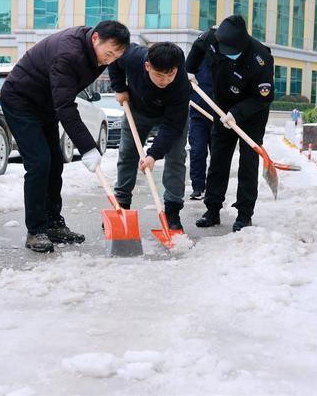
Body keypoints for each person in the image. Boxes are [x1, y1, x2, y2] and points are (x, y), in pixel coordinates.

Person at [0, 21, 131, 253]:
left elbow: (129, 58)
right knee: (40, 163)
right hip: (21, 100)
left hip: (46, 103)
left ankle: (53, 223)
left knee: (55, 161)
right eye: (109, 53)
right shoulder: (68, 54)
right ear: (95, 39)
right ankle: (36, 230)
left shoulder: (103, 52)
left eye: (116, 55)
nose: (111, 59)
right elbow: (66, 108)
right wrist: (89, 148)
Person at [185, 14, 274, 232]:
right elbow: (197, 47)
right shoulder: (212, 38)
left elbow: (264, 97)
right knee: (218, 158)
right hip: (221, 106)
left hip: (252, 113)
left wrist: (237, 113)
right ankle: (213, 209)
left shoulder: (261, 58)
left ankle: (244, 214)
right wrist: (190, 70)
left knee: (248, 163)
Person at [108, 42, 190, 230]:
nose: (165, 80)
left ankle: (172, 211)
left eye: (170, 74)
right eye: (159, 75)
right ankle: (122, 205)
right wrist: (119, 87)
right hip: (137, 111)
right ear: (147, 66)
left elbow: (173, 126)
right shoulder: (132, 56)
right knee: (128, 155)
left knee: (176, 158)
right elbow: (114, 58)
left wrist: (153, 154)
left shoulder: (181, 85)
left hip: (171, 117)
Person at [187, 59, 214, 201]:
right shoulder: (195, 62)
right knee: (197, 152)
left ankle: (213, 189)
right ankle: (198, 188)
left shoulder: (224, 61)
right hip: (198, 116)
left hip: (219, 118)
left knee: (217, 156)